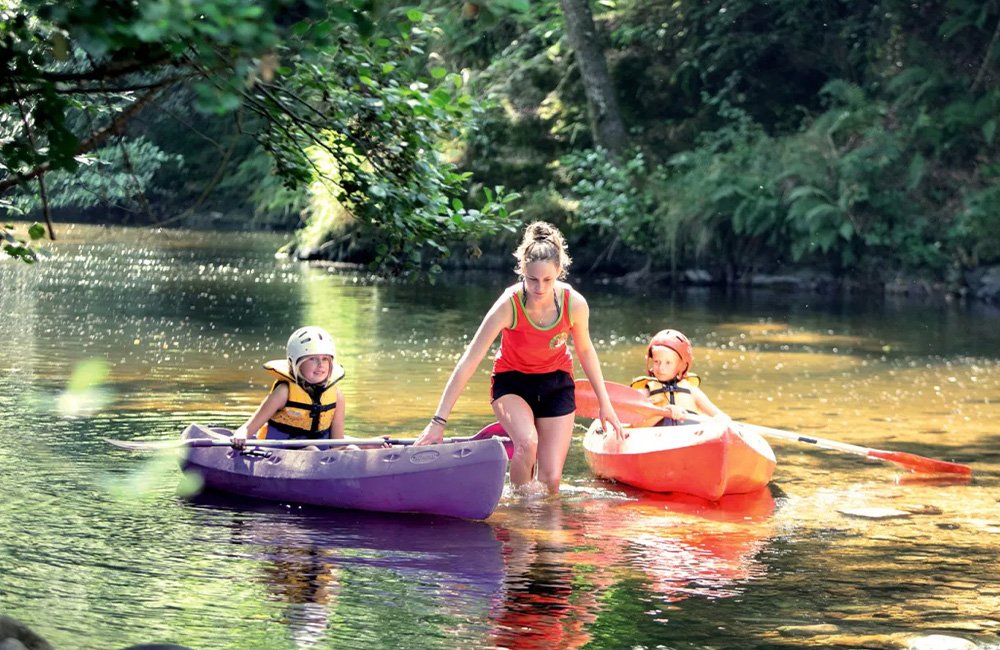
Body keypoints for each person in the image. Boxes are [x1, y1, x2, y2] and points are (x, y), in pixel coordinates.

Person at [415, 221, 624, 494]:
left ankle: (537, 521)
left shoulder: (575, 304)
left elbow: (586, 351)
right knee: (527, 443)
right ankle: (520, 520)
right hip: (512, 384)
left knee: (551, 483)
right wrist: (438, 421)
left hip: (556, 384)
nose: (539, 287)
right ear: (522, 271)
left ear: (559, 271)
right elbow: (470, 359)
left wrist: (604, 404)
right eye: (532, 279)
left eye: (548, 280)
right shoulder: (508, 305)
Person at [232, 326, 346, 447]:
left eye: (325, 359)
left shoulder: (337, 396)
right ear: (295, 363)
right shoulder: (284, 392)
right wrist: (241, 434)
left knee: (352, 448)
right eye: (312, 359)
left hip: (321, 457)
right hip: (281, 452)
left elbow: (337, 443)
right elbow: (248, 428)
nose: (320, 365)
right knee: (311, 450)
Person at [630, 328, 727, 427]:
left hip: (690, 437)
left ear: (682, 366)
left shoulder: (692, 391)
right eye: (656, 361)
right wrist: (664, 412)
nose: (661, 368)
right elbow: (635, 425)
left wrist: (718, 420)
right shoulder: (645, 393)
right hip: (658, 439)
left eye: (668, 363)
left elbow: (720, 416)